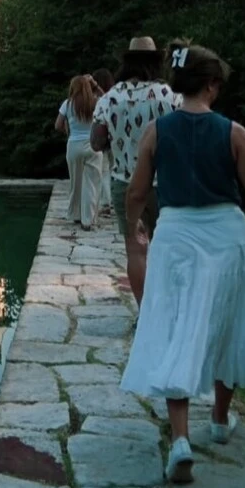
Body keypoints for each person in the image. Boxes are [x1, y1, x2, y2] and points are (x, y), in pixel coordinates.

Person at [120, 42, 245, 484]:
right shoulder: (234, 133)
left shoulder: (157, 132)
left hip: (176, 237)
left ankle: (179, 439)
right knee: (229, 324)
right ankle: (218, 418)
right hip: (227, 238)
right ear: (211, 84)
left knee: (175, 329)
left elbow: (137, 191)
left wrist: (133, 227)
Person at [91, 37, 180, 306]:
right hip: (164, 183)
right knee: (166, 249)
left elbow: (96, 142)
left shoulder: (110, 98)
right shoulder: (169, 95)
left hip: (125, 183)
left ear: (127, 62)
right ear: (155, 63)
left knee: (135, 250)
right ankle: (168, 309)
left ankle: (145, 313)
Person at [62, 75, 104, 229]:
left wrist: (69, 130)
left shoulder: (67, 104)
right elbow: (109, 99)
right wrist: (95, 84)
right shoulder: (95, 102)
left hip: (73, 146)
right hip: (93, 145)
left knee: (76, 183)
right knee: (92, 183)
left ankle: (76, 215)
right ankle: (88, 219)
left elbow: (58, 124)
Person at [91, 68, 115, 213]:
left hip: (102, 137)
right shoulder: (114, 97)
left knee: (104, 170)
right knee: (112, 169)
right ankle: (111, 199)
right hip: (115, 137)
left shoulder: (97, 99)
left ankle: (106, 202)